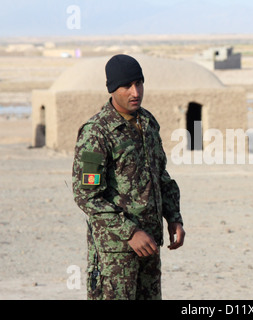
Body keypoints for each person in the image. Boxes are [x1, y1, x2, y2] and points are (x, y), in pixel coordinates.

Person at [72, 54, 185, 300]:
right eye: (127, 86)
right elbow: (87, 196)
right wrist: (129, 232)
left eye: (139, 83)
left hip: (150, 246)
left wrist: (173, 216)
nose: (135, 92)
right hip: (116, 253)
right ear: (112, 89)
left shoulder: (147, 123)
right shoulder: (97, 132)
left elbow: (160, 175)